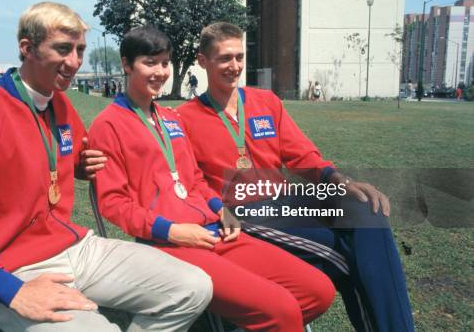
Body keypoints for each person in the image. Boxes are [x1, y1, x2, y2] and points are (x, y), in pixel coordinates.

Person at [0, 2, 213, 332]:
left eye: (79, 50)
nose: (75, 62)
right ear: (27, 48)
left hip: (76, 247)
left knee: (193, 287)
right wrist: (11, 291)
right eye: (63, 49)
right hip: (13, 267)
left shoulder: (58, 102)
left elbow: (65, 153)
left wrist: (81, 164)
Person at [88, 26, 335, 332]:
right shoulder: (107, 125)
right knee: (282, 309)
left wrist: (221, 208)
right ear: (126, 65)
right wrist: (174, 231)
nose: (160, 72)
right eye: (149, 63)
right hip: (170, 244)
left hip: (217, 231)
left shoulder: (170, 118)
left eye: (165, 63)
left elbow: (194, 180)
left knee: (318, 292)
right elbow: (113, 204)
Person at [177, 22, 416, 332]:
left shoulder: (266, 102)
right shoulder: (184, 118)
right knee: (345, 256)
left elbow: (301, 154)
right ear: (202, 61)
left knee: (366, 212)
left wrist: (339, 181)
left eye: (239, 57)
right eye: (224, 58)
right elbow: (184, 179)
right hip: (243, 214)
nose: (234, 66)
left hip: (288, 205)